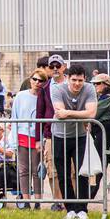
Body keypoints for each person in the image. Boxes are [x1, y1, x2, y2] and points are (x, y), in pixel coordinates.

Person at [51, 64, 98, 219]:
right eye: (74, 80)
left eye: (80, 80)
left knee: (82, 173)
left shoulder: (89, 89)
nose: (77, 84)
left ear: (85, 79)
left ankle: (82, 209)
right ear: (68, 78)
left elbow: (91, 113)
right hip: (60, 136)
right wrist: (81, 115)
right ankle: (70, 209)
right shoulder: (58, 89)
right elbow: (59, 113)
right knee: (63, 174)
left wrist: (69, 112)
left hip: (80, 136)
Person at [11, 69, 45, 208]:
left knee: (36, 170)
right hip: (22, 135)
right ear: (30, 80)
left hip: (38, 137)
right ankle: (26, 200)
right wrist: (14, 139)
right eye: (34, 79)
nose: (37, 82)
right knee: (23, 170)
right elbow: (15, 117)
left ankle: (37, 201)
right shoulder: (20, 96)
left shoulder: (44, 97)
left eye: (40, 80)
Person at [35, 55, 65, 209]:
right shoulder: (45, 88)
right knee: (53, 169)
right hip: (50, 134)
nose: (55, 69)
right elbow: (39, 114)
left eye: (57, 66)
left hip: (70, 132)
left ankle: (70, 201)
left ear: (63, 67)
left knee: (71, 169)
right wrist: (38, 139)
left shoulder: (71, 85)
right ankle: (57, 201)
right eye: (51, 66)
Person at [91, 72, 110, 198]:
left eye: (97, 83)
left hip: (106, 133)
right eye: (94, 83)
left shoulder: (108, 97)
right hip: (106, 133)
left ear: (106, 84)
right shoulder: (105, 96)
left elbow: (94, 114)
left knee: (100, 165)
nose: (95, 85)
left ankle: (89, 195)